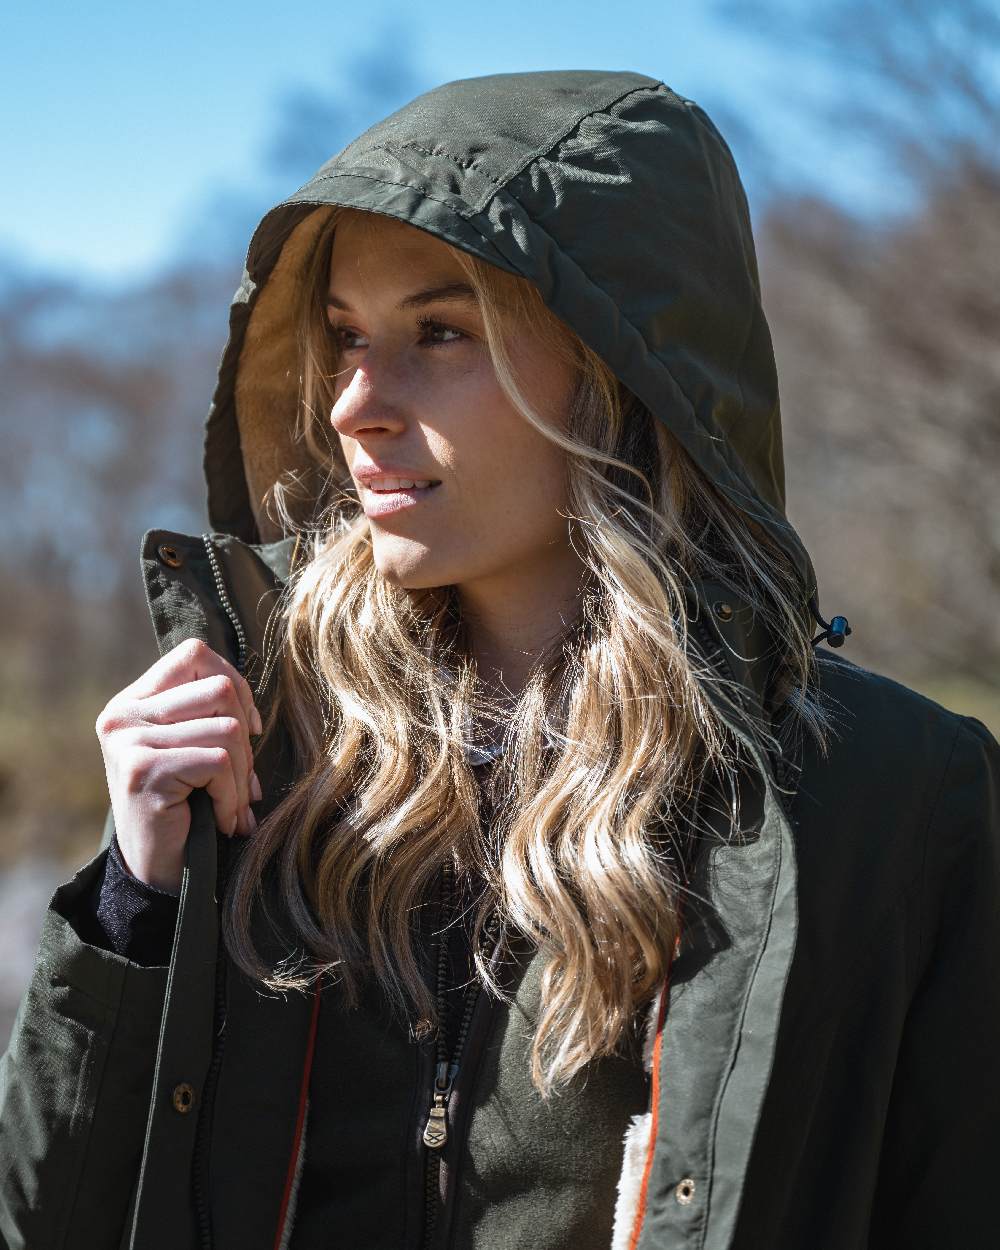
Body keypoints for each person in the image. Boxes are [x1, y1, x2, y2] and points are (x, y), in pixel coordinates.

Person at [0, 68, 998, 1250]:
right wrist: (135, 902)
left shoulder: (892, 796)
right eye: (344, 337)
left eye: (441, 331)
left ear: (622, 370)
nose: (354, 404)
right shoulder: (257, 755)